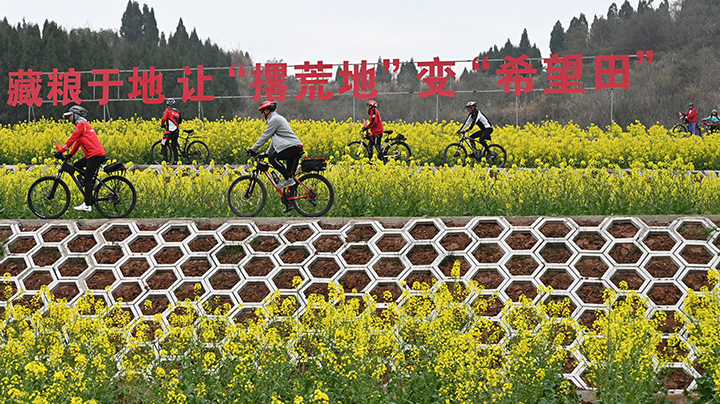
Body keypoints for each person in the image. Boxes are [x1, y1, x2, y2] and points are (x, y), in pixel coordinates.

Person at [56, 105, 106, 213]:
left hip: (95, 156)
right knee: (76, 165)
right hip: (94, 155)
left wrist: (61, 151)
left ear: (75, 116)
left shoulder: (81, 124)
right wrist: (70, 155)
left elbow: (72, 139)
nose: (69, 119)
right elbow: (78, 142)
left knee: (87, 180)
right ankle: (94, 183)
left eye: (70, 116)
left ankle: (87, 205)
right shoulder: (84, 125)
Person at [248, 100, 304, 193]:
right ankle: (290, 201)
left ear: (267, 111)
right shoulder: (276, 119)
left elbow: (265, 136)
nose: (262, 115)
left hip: (292, 147)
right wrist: (267, 153)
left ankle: (289, 178)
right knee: (289, 178)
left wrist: (252, 149)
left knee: (272, 159)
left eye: (263, 112)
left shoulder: (274, 119)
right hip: (294, 147)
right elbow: (274, 140)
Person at [161, 98, 182, 163]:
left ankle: (166, 160)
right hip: (176, 131)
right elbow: (180, 121)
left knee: (163, 143)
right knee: (174, 145)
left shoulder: (167, 110)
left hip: (169, 131)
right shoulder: (178, 111)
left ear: (167, 104)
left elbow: (164, 119)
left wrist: (163, 125)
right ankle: (176, 161)